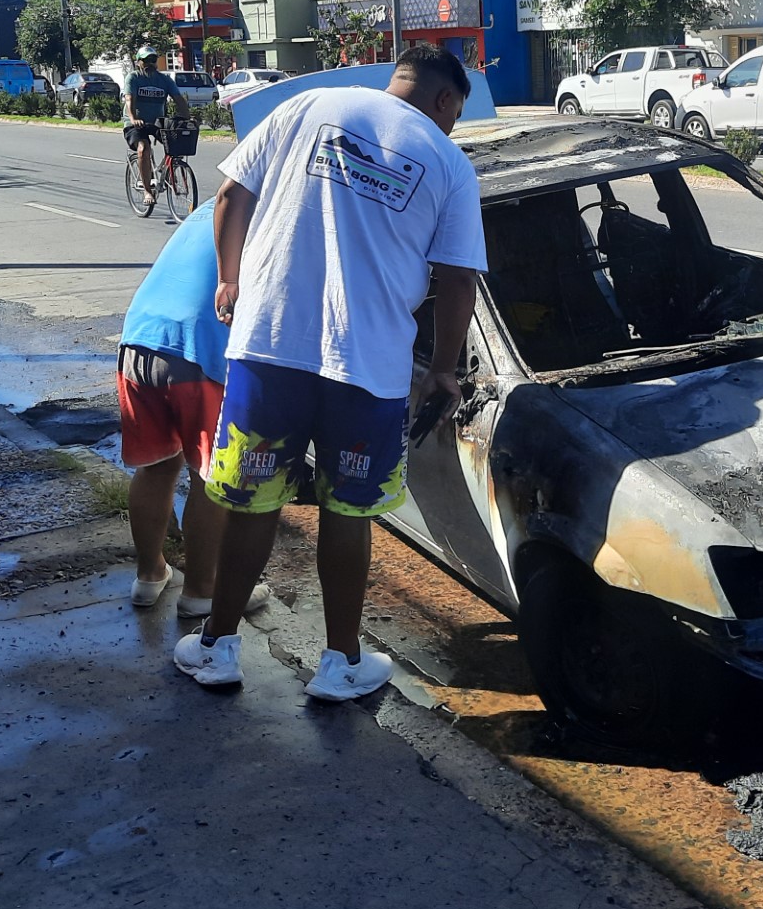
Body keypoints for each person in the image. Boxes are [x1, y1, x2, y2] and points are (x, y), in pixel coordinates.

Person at [174, 44, 486, 698]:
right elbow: (458, 283)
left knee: (254, 502)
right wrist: (445, 371)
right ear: (445, 101)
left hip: (268, 349)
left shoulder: (308, 105)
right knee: (348, 511)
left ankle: (217, 648)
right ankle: (340, 664)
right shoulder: (448, 162)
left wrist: (230, 282)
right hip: (366, 370)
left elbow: (231, 195)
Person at [116, 195, 269, 620]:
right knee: (211, 478)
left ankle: (149, 575)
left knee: (157, 467)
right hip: (197, 351)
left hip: (139, 339)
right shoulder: (273, 214)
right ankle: (203, 590)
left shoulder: (213, 206)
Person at [124, 47, 188, 197]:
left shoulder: (164, 80)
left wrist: (187, 118)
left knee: (176, 144)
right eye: (146, 60)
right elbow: (129, 99)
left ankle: (167, 168)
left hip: (156, 123)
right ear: (139, 62)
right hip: (135, 124)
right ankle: (147, 191)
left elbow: (179, 99)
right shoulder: (133, 78)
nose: (150, 64)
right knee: (143, 148)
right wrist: (133, 118)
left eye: (153, 60)